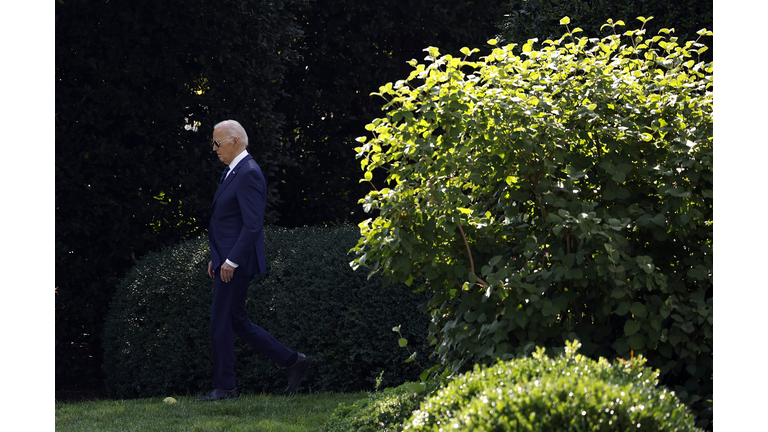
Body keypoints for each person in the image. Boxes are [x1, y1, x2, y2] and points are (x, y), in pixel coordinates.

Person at [196, 120, 311, 402]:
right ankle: (294, 362)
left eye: (217, 143)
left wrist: (231, 261)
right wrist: (217, 258)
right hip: (227, 262)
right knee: (235, 320)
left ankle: (226, 388)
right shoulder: (232, 172)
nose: (213, 148)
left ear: (235, 141)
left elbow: (252, 225)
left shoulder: (248, 173)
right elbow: (225, 222)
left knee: (220, 321)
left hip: (236, 264)